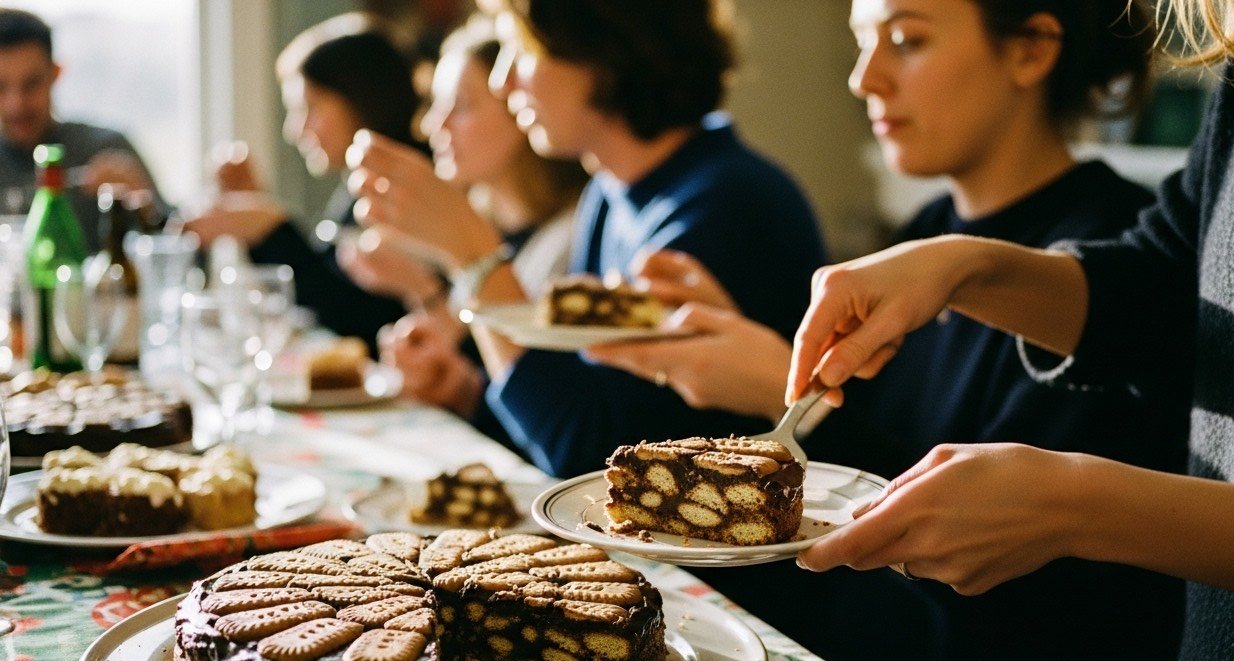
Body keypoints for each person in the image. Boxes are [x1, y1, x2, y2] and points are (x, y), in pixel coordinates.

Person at [783, 1, 1234, 661]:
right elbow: (1168, 289)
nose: (865, 77)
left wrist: (1084, 507)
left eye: (908, 40)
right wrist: (967, 266)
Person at [585, 1, 1185, 661]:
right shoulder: (923, 236)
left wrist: (783, 397)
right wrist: (761, 363)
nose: (864, 78)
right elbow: (875, 449)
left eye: (905, 40)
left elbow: (1013, 613)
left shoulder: (1118, 285)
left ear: (1031, 51)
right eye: (863, 44)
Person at [350, 0, 825, 477]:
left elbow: (596, 457)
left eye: (522, 48)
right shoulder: (612, 191)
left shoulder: (728, 205)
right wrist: (467, 393)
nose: (503, 80)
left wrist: (473, 256)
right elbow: (582, 400)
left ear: (603, 53)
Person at [347, 16, 588, 438]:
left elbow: (561, 427)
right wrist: (458, 386)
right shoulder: (484, 225)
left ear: (519, 106)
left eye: (458, 106)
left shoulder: (569, 242)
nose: (430, 125)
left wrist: (423, 289)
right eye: (434, 104)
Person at [185, 13, 424, 351]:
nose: (295, 130)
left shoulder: (406, 189)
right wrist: (259, 218)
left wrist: (273, 229)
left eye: (309, 107)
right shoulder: (359, 187)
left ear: (362, 99)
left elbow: (365, 321)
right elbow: (334, 286)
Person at [0, 7, 166, 249]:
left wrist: (146, 204)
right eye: (1, 87)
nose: (17, 104)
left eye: (31, 84)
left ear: (55, 74)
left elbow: (185, 255)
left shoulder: (106, 147)